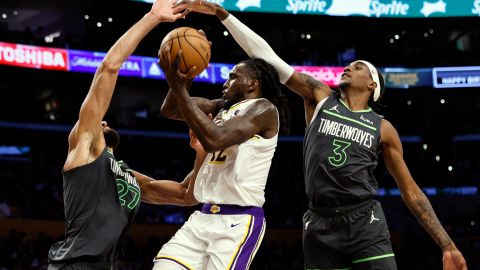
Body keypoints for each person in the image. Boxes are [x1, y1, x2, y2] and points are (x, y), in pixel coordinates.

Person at [174, 1, 468, 270]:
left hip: (364, 219)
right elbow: (268, 57)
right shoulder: (320, 98)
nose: (349, 66)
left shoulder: (382, 127)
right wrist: (223, 15)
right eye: (350, 64)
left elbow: (411, 191)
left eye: (359, 67)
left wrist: (447, 245)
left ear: (372, 86)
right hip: (319, 222)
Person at [47, 1, 200, 269]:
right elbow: (108, 68)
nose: (102, 120)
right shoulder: (85, 149)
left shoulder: (127, 175)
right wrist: (152, 18)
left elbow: (187, 195)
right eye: (98, 122)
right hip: (74, 264)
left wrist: (202, 151)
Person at [152, 39, 290, 268]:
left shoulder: (264, 110)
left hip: (237, 221)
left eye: (234, 76)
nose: (226, 82)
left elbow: (214, 140)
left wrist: (179, 88)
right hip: (203, 216)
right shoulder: (221, 106)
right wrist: (183, 79)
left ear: (252, 84)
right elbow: (171, 109)